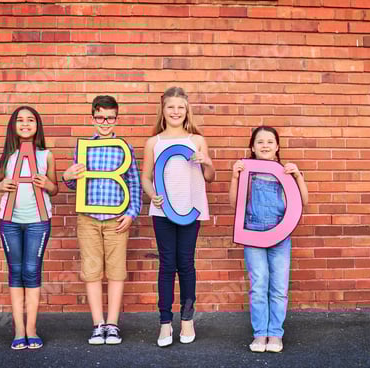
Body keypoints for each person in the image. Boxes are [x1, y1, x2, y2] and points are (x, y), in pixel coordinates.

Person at [62, 95, 142, 345]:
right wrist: (67, 176)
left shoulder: (124, 148)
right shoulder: (84, 147)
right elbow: (77, 183)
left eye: (110, 117)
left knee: (117, 271)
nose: (105, 122)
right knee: (92, 271)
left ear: (117, 118)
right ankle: (98, 324)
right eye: (100, 117)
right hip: (88, 218)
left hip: (116, 218)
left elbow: (134, 183)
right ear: (92, 118)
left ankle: (113, 324)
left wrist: (131, 213)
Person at [141, 87, 215, 347]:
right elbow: (146, 178)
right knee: (166, 265)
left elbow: (209, 177)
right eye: (171, 107)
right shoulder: (155, 142)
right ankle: (164, 323)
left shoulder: (196, 140)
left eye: (180, 107)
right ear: (163, 110)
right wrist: (152, 194)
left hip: (190, 209)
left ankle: (186, 320)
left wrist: (206, 161)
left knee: (186, 264)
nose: (175, 111)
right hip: (163, 212)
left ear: (187, 111)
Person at [229, 126, 309, 353]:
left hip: (280, 236)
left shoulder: (283, 173)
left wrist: (298, 176)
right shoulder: (247, 174)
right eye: (260, 142)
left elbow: (303, 201)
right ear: (252, 148)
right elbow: (235, 205)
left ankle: (275, 333)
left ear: (277, 147)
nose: (265, 145)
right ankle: (260, 334)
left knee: (279, 287)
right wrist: (235, 177)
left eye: (270, 142)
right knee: (259, 284)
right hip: (253, 234)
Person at [0, 106, 58, 350]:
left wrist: (48, 183)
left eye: (30, 120)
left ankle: (32, 329)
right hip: (10, 222)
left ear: (37, 125)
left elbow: (55, 188)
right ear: (13, 126)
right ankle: (19, 330)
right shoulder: (4, 157)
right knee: (15, 272)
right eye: (20, 120)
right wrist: (0, 186)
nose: (25, 124)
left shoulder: (45, 155)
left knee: (32, 271)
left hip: (38, 221)